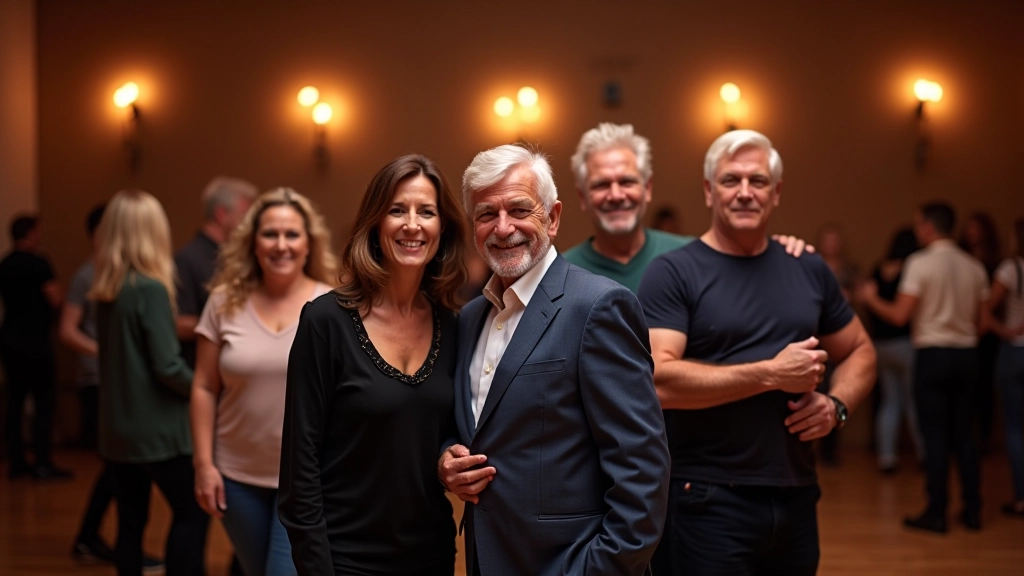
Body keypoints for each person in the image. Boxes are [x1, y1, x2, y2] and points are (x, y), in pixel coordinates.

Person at [638, 130, 876, 575]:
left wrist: (837, 406)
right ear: (709, 190)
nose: (745, 192)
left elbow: (861, 350)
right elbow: (659, 381)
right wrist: (771, 373)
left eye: (758, 181)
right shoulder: (675, 271)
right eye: (731, 180)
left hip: (797, 495)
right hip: (705, 498)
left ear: (777, 192)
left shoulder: (806, 266)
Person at [438, 144, 670, 576]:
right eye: (487, 214)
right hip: (488, 560)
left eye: (520, 210)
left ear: (554, 217)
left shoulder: (598, 307)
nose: (503, 227)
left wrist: (601, 568)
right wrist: (447, 461)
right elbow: (473, 425)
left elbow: (642, 467)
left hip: (570, 564)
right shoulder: (470, 319)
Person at [279, 155, 467, 575]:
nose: (412, 224)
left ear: (444, 228)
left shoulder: (454, 326)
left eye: (427, 212)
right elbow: (299, 466)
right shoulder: (325, 322)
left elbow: (446, 431)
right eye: (397, 210)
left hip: (431, 555)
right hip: (345, 559)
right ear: (375, 224)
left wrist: (449, 458)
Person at [191, 189, 336, 576]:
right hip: (235, 477)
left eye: (292, 234)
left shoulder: (333, 305)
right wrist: (204, 465)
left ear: (309, 243)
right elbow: (204, 386)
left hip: (308, 479)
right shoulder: (223, 302)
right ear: (253, 242)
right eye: (270, 234)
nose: (281, 245)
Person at [91, 189, 209, 575]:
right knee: (193, 514)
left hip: (117, 431)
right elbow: (167, 366)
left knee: (130, 525)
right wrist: (209, 391)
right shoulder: (150, 289)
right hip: (159, 433)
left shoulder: (106, 289)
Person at [858, 202, 989, 533]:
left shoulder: (919, 262)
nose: (917, 231)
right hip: (968, 355)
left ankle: (937, 511)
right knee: (965, 435)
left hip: (932, 354)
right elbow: (983, 321)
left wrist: (871, 299)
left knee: (935, 435)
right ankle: (973, 510)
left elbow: (900, 316)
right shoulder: (974, 266)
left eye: (919, 225)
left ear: (928, 227)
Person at [563, 122, 810, 294]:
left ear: (647, 189)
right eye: (601, 185)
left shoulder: (693, 255)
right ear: (582, 197)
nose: (616, 195)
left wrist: (782, 252)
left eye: (627, 181)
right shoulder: (562, 274)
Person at [64, 204, 164, 571]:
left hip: (123, 386)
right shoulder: (88, 275)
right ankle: (92, 538)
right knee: (119, 469)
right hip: (99, 381)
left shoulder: (124, 277)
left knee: (121, 470)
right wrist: (110, 355)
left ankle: (98, 541)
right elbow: (67, 330)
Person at [0, 214, 70, 480]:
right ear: (31, 232)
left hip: (9, 338)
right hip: (35, 340)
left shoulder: (5, 264)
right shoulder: (39, 263)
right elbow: (55, 299)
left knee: (15, 401)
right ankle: (42, 461)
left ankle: (17, 461)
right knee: (44, 401)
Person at [176, 176, 257, 368]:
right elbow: (177, 323)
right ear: (221, 214)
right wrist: (235, 324)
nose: (250, 225)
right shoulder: (188, 258)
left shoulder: (237, 257)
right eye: (244, 215)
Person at [865, 228, 926, 474]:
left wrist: (871, 301)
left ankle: (887, 458)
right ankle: (925, 455)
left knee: (890, 402)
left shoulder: (878, 270)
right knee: (913, 403)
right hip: (906, 344)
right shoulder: (913, 270)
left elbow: (868, 304)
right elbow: (903, 315)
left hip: (880, 346)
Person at [982, 218, 1024, 517]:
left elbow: (983, 313)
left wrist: (1005, 330)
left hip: (1015, 353)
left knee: (1015, 428)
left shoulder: (1011, 269)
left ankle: (1021, 497)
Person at [960, 211, 1003, 451]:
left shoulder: (993, 264)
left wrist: (995, 330)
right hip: (967, 334)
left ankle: (981, 440)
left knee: (985, 390)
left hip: (984, 338)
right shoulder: (963, 260)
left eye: (975, 228)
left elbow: (987, 312)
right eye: (968, 228)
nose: (971, 233)